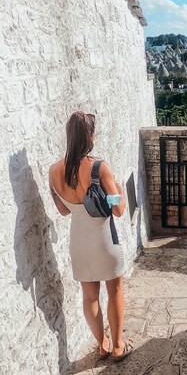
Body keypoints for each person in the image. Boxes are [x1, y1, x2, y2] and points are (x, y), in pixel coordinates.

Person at [49, 111, 133, 361]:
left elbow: (63, 210)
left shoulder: (54, 170)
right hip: (104, 239)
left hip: (79, 243)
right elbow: (118, 210)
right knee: (115, 290)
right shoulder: (99, 168)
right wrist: (119, 191)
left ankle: (102, 344)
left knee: (89, 297)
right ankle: (118, 346)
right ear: (90, 137)